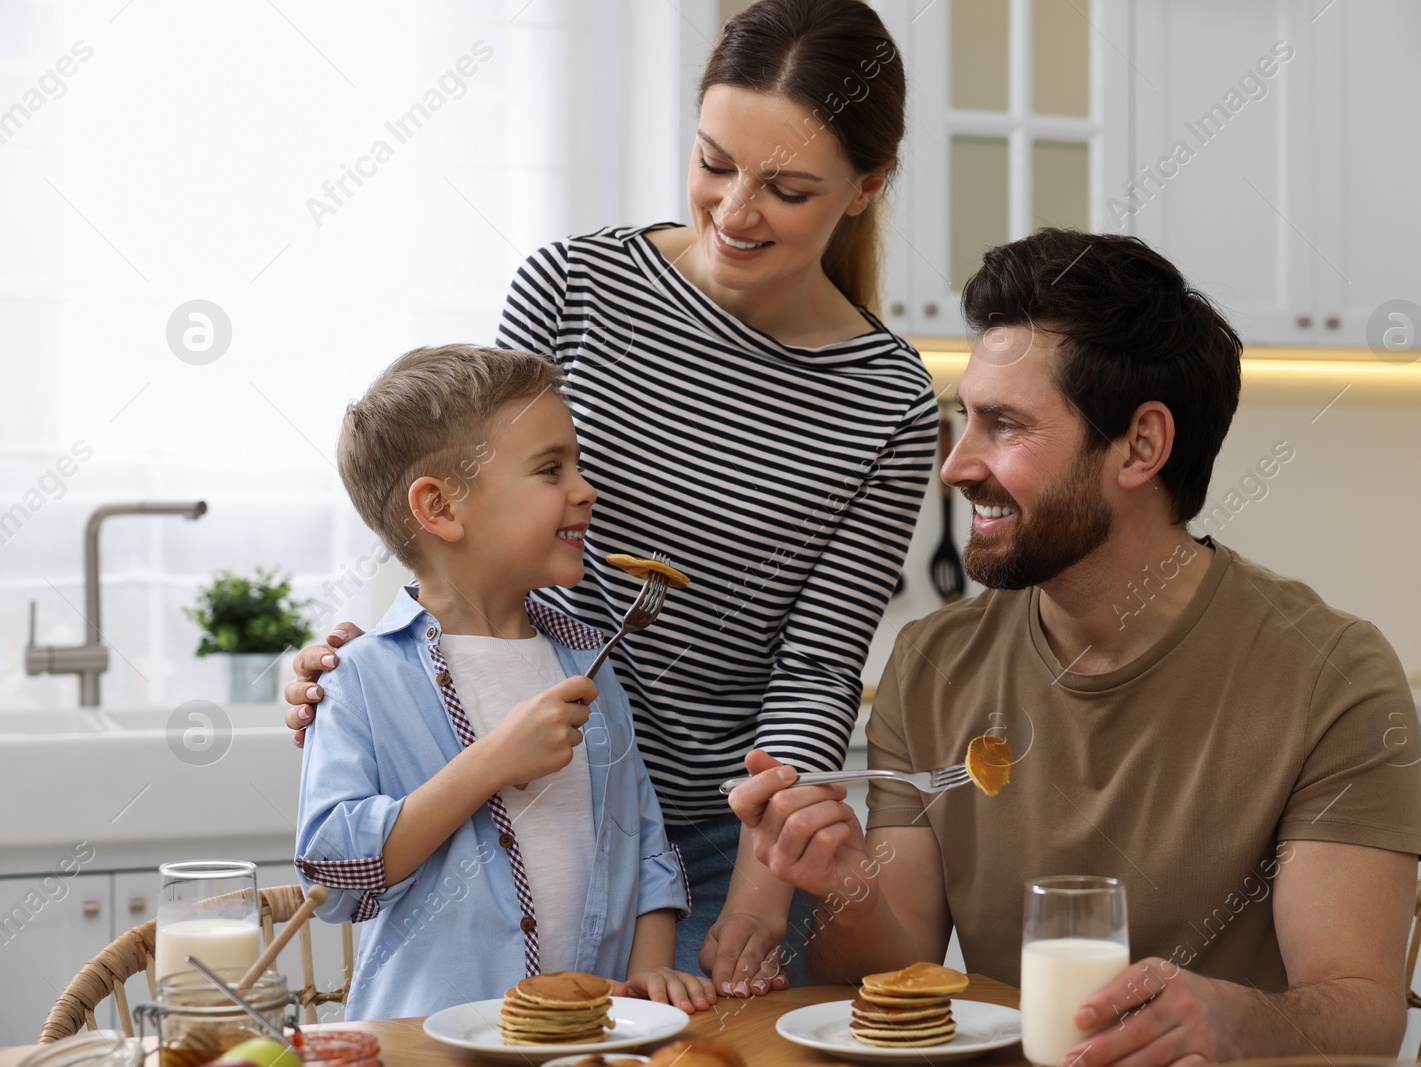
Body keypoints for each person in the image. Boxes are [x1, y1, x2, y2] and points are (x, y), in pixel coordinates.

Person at [285, 0, 934, 997]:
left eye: (787, 187)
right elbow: (467, 488)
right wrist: (376, 672)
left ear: (867, 185)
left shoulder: (887, 398)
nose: (734, 210)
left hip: (732, 843)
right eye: (714, 160)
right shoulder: (575, 285)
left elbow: (815, 667)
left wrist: (760, 898)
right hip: (530, 796)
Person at [729, 229, 1421, 1064]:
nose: (955, 466)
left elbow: (1363, 1012)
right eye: (965, 419)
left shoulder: (1332, 677)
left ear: (1140, 446)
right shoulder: (932, 663)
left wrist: (1233, 1019)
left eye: (1004, 425)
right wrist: (842, 885)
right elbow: (891, 974)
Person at [295, 345, 715, 1020]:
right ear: (440, 508)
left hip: (587, 1039)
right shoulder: (359, 679)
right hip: (424, 1049)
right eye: (551, 469)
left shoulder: (592, 666)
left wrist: (651, 976)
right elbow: (335, 874)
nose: (586, 488)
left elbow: (646, 847)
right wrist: (491, 761)